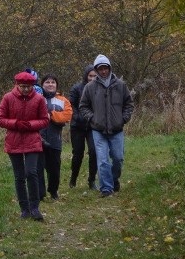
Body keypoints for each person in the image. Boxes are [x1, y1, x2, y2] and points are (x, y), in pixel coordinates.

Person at [0, 71, 49, 220]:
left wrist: (30, 125)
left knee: (31, 172)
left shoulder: (39, 99)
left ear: (33, 86)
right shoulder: (8, 98)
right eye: (23, 86)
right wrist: (15, 123)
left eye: (28, 87)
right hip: (14, 140)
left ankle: (35, 207)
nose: (26, 89)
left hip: (32, 140)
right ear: (17, 85)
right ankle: (24, 209)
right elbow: (0, 119)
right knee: (19, 176)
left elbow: (45, 120)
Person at [78, 54, 134, 198]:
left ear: (109, 68)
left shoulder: (120, 85)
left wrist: (124, 118)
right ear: (96, 70)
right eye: (100, 69)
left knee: (118, 158)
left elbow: (129, 104)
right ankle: (106, 188)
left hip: (117, 129)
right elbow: (83, 106)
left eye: (105, 68)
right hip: (98, 129)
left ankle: (114, 180)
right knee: (102, 160)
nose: (103, 71)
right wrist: (92, 119)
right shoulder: (90, 87)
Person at [37, 74, 73, 201]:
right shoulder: (36, 98)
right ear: (42, 85)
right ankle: (40, 194)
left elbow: (67, 116)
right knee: (38, 168)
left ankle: (53, 191)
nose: (50, 84)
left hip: (54, 140)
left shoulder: (63, 100)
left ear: (56, 85)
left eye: (53, 82)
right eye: (47, 82)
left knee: (54, 169)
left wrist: (51, 115)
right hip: (37, 139)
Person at [68, 64, 98, 190]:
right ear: (86, 76)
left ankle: (91, 181)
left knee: (94, 151)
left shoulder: (99, 88)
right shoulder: (76, 88)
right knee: (78, 154)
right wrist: (78, 117)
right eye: (90, 76)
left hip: (93, 126)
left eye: (95, 76)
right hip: (77, 126)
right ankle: (73, 178)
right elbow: (71, 105)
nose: (92, 78)